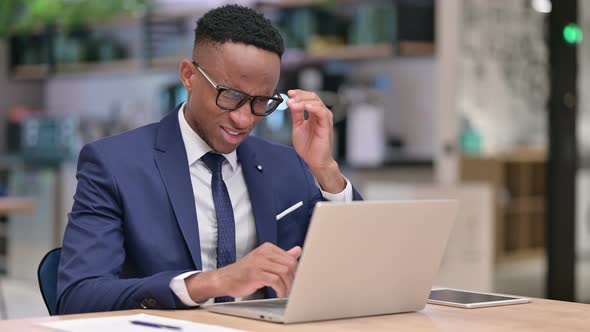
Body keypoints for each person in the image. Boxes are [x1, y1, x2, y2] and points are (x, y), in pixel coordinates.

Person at [56, 4, 362, 314]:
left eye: (261, 102)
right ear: (188, 76)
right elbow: (78, 296)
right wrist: (213, 283)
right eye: (229, 95)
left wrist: (326, 170)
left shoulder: (287, 164)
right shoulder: (114, 164)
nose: (244, 119)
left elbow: (359, 268)